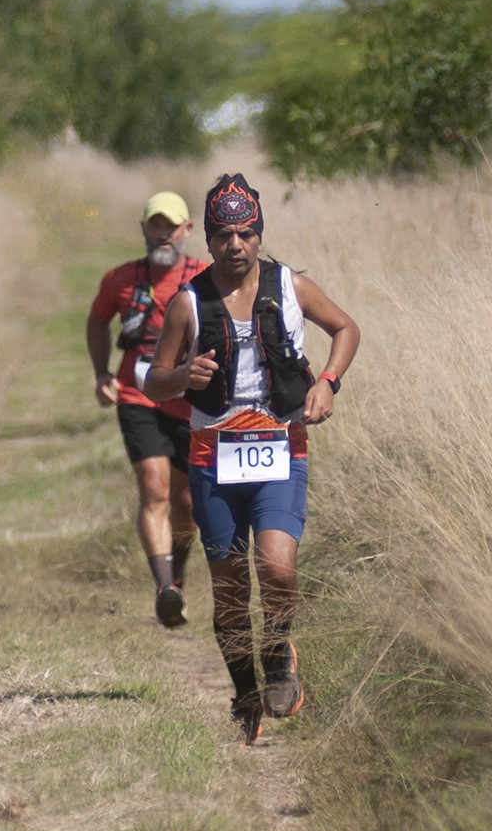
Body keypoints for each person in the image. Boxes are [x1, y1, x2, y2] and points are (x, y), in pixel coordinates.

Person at [146, 173, 359, 744]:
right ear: (208, 241)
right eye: (223, 236)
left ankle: (277, 653)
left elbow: (345, 328)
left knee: (279, 568)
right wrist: (181, 376)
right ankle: (244, 691)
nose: (234, 245)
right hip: (214, 457)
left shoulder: (291, 286)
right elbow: (155, 381)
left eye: (245, 233)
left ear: (260, 236)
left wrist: (328, 384)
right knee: (230, 588)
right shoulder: (189, 303)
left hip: (281, 448)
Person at [87, 190, 206, 627]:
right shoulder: (119, 279)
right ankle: (164, 589)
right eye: (155, 225)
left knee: (187, 501)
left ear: (187, 231)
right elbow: (97, 319)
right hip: (138, 397)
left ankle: (178, 575)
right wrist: (102, 374)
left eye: (171, 226)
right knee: (153, 488)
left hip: (190, 401)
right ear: (143, 229)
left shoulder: (206, 278)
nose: (163, 234)